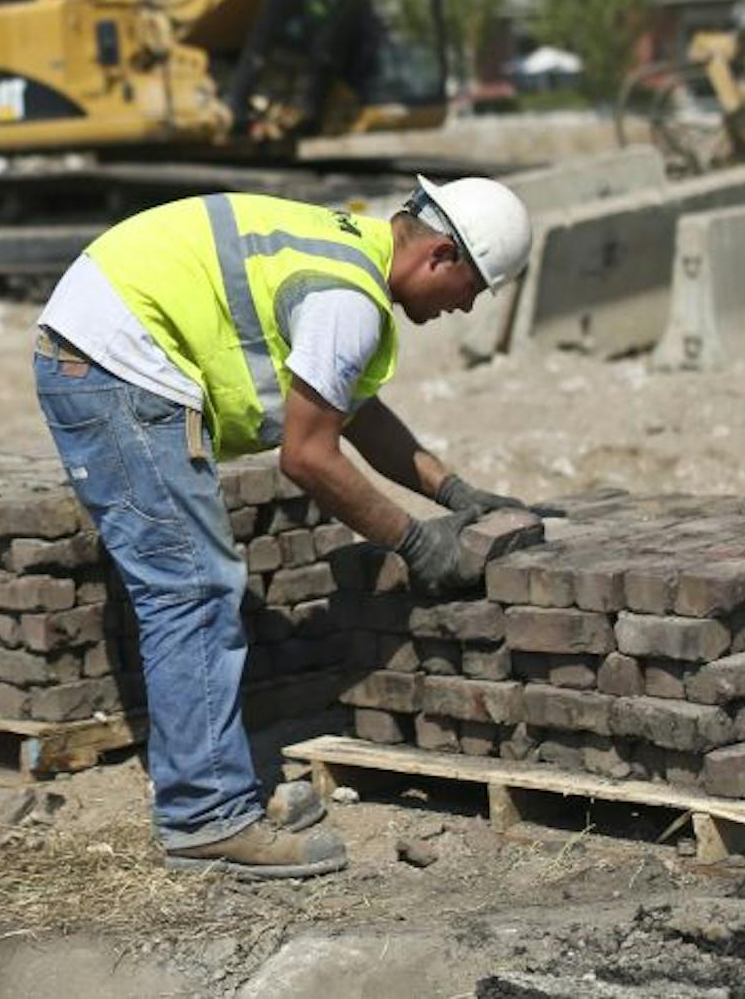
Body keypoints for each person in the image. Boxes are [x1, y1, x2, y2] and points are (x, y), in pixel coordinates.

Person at [32, 176, 552, 878]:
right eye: (472, 288)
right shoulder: (347, 297)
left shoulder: (350, 254)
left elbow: (352, 409)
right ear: (439, 256)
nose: (463, 307)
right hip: (116, 360)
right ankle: (206, 817)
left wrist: (453, 490)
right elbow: (308, 456)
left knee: (194, 583)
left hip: (103, 340)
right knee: (191, 587)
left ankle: (213, 786)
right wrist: (416, 539)